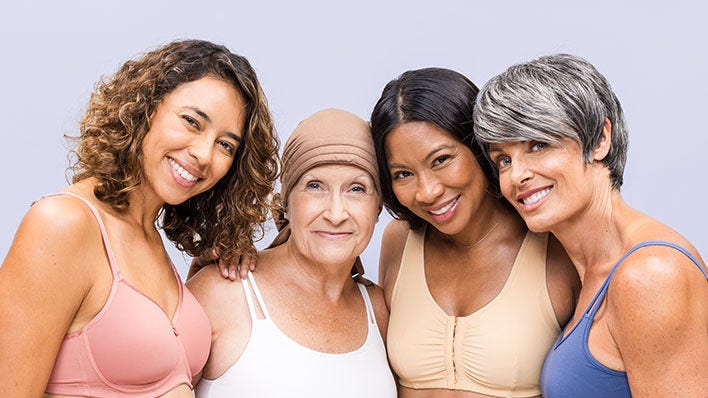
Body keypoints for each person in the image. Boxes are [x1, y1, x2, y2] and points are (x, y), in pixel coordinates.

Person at [0, 39, 280, 397]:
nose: (203, 154)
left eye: (226, 145)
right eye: (192, 122)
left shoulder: (150, 240)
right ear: (145, 107)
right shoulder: (63, 223)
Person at [473, 53, 708, 397]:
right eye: (503, 160)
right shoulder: (586, 270)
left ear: (600, 140)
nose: (516, 175)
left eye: (539, 145)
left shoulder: (651, 274)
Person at [369, 67, 580, 398]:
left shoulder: (555, 246)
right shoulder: (398, 240)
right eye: (404, 174)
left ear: (480, 147)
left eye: (440, 160)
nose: (427, 192)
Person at [188, 108, 396, 397]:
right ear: (286, 202)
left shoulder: (379, 312)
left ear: (378, 208)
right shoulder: (223, 292)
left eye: (357, 189)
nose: (336, 213)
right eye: (314, 186)